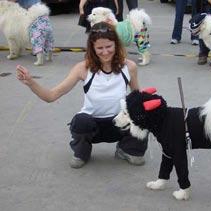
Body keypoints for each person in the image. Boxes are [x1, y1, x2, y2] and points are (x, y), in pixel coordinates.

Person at [16, 22, 147, 169]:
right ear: (92, 48)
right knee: (81, 121)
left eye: (109, 46)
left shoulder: (129, 67)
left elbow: (138, 99)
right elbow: (51, 96)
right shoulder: (82, 69)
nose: (105, 52)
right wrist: (31, 82)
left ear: (116, 45)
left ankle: (127, 149)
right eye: (100, 48)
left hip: (119, 123)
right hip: (92, 126)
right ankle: (82, 152)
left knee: (142, 114)